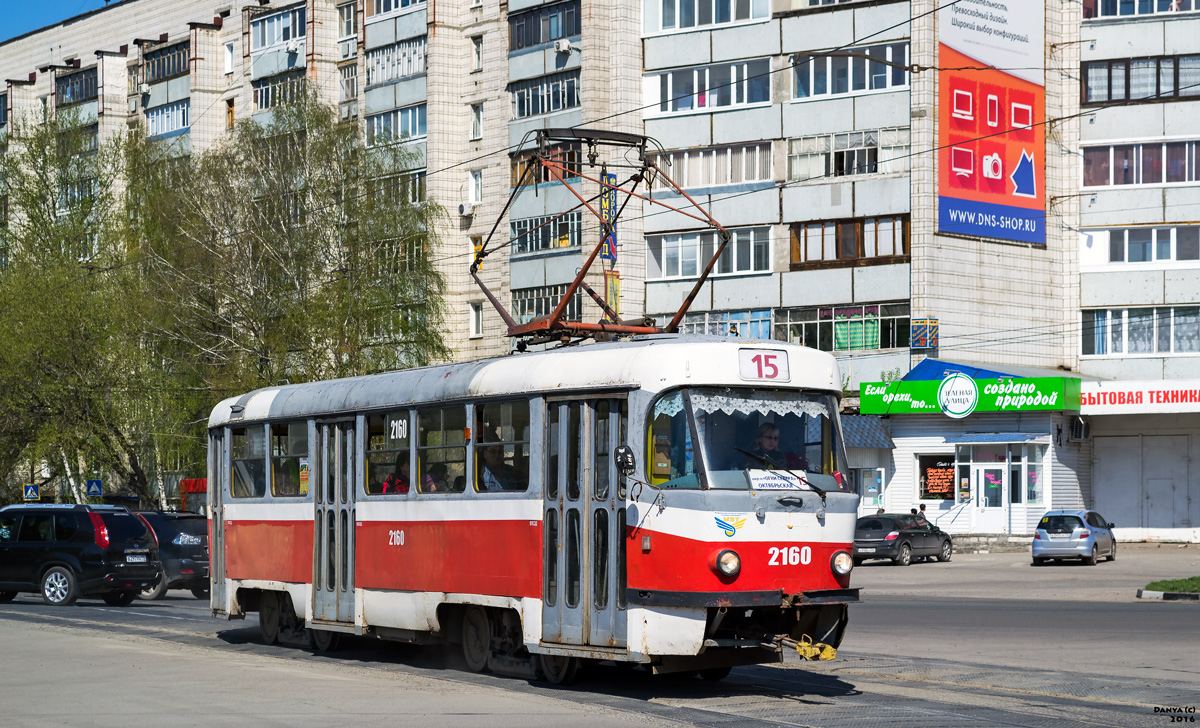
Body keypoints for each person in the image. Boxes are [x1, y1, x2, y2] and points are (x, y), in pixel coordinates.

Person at [742, 422, 810, 471]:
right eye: (769, 437)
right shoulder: (750, 456)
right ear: (760, 438)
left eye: (775, 438)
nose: (772, 441)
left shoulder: (780, 457)